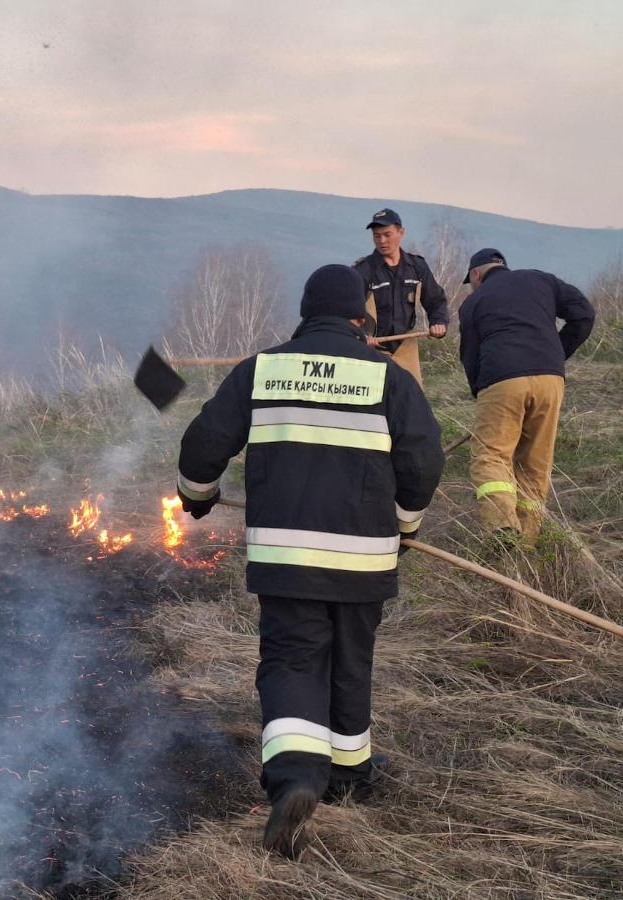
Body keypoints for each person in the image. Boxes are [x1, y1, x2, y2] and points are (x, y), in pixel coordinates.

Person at [175, 264, 444, 859]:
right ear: (360, 319)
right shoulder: (388, 377)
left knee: (294, 662)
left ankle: (297, 778)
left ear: (303, 315)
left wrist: (196, 496)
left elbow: (204, 443)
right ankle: (349, 780)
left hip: (288, 559)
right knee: (351, 662)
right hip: (365, 560)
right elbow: (424, 462)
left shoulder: (263, 369)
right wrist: (404, 527)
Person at [458, 248, 595, 545]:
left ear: (476, 275)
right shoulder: (542, 280)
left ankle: (502, 529)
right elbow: (584, 314)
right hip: (550, 380)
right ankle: (528, 543)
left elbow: (470, 356)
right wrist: (557, 353)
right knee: (535, 463)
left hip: (502, 381)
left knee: (491, 455)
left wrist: (480, 393)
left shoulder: (473, 302)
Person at [352, 208, 449, 387]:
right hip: (373, 348)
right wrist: (361, 336)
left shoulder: (417, 267)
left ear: (401, 232)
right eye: (376, 236)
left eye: (387, 234)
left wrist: (439, 322)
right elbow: (348, 311)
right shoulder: (362, 271)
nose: (382, 241)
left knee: (413, 402)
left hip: (406, 347)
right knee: (374, 401)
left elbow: (436, 300)